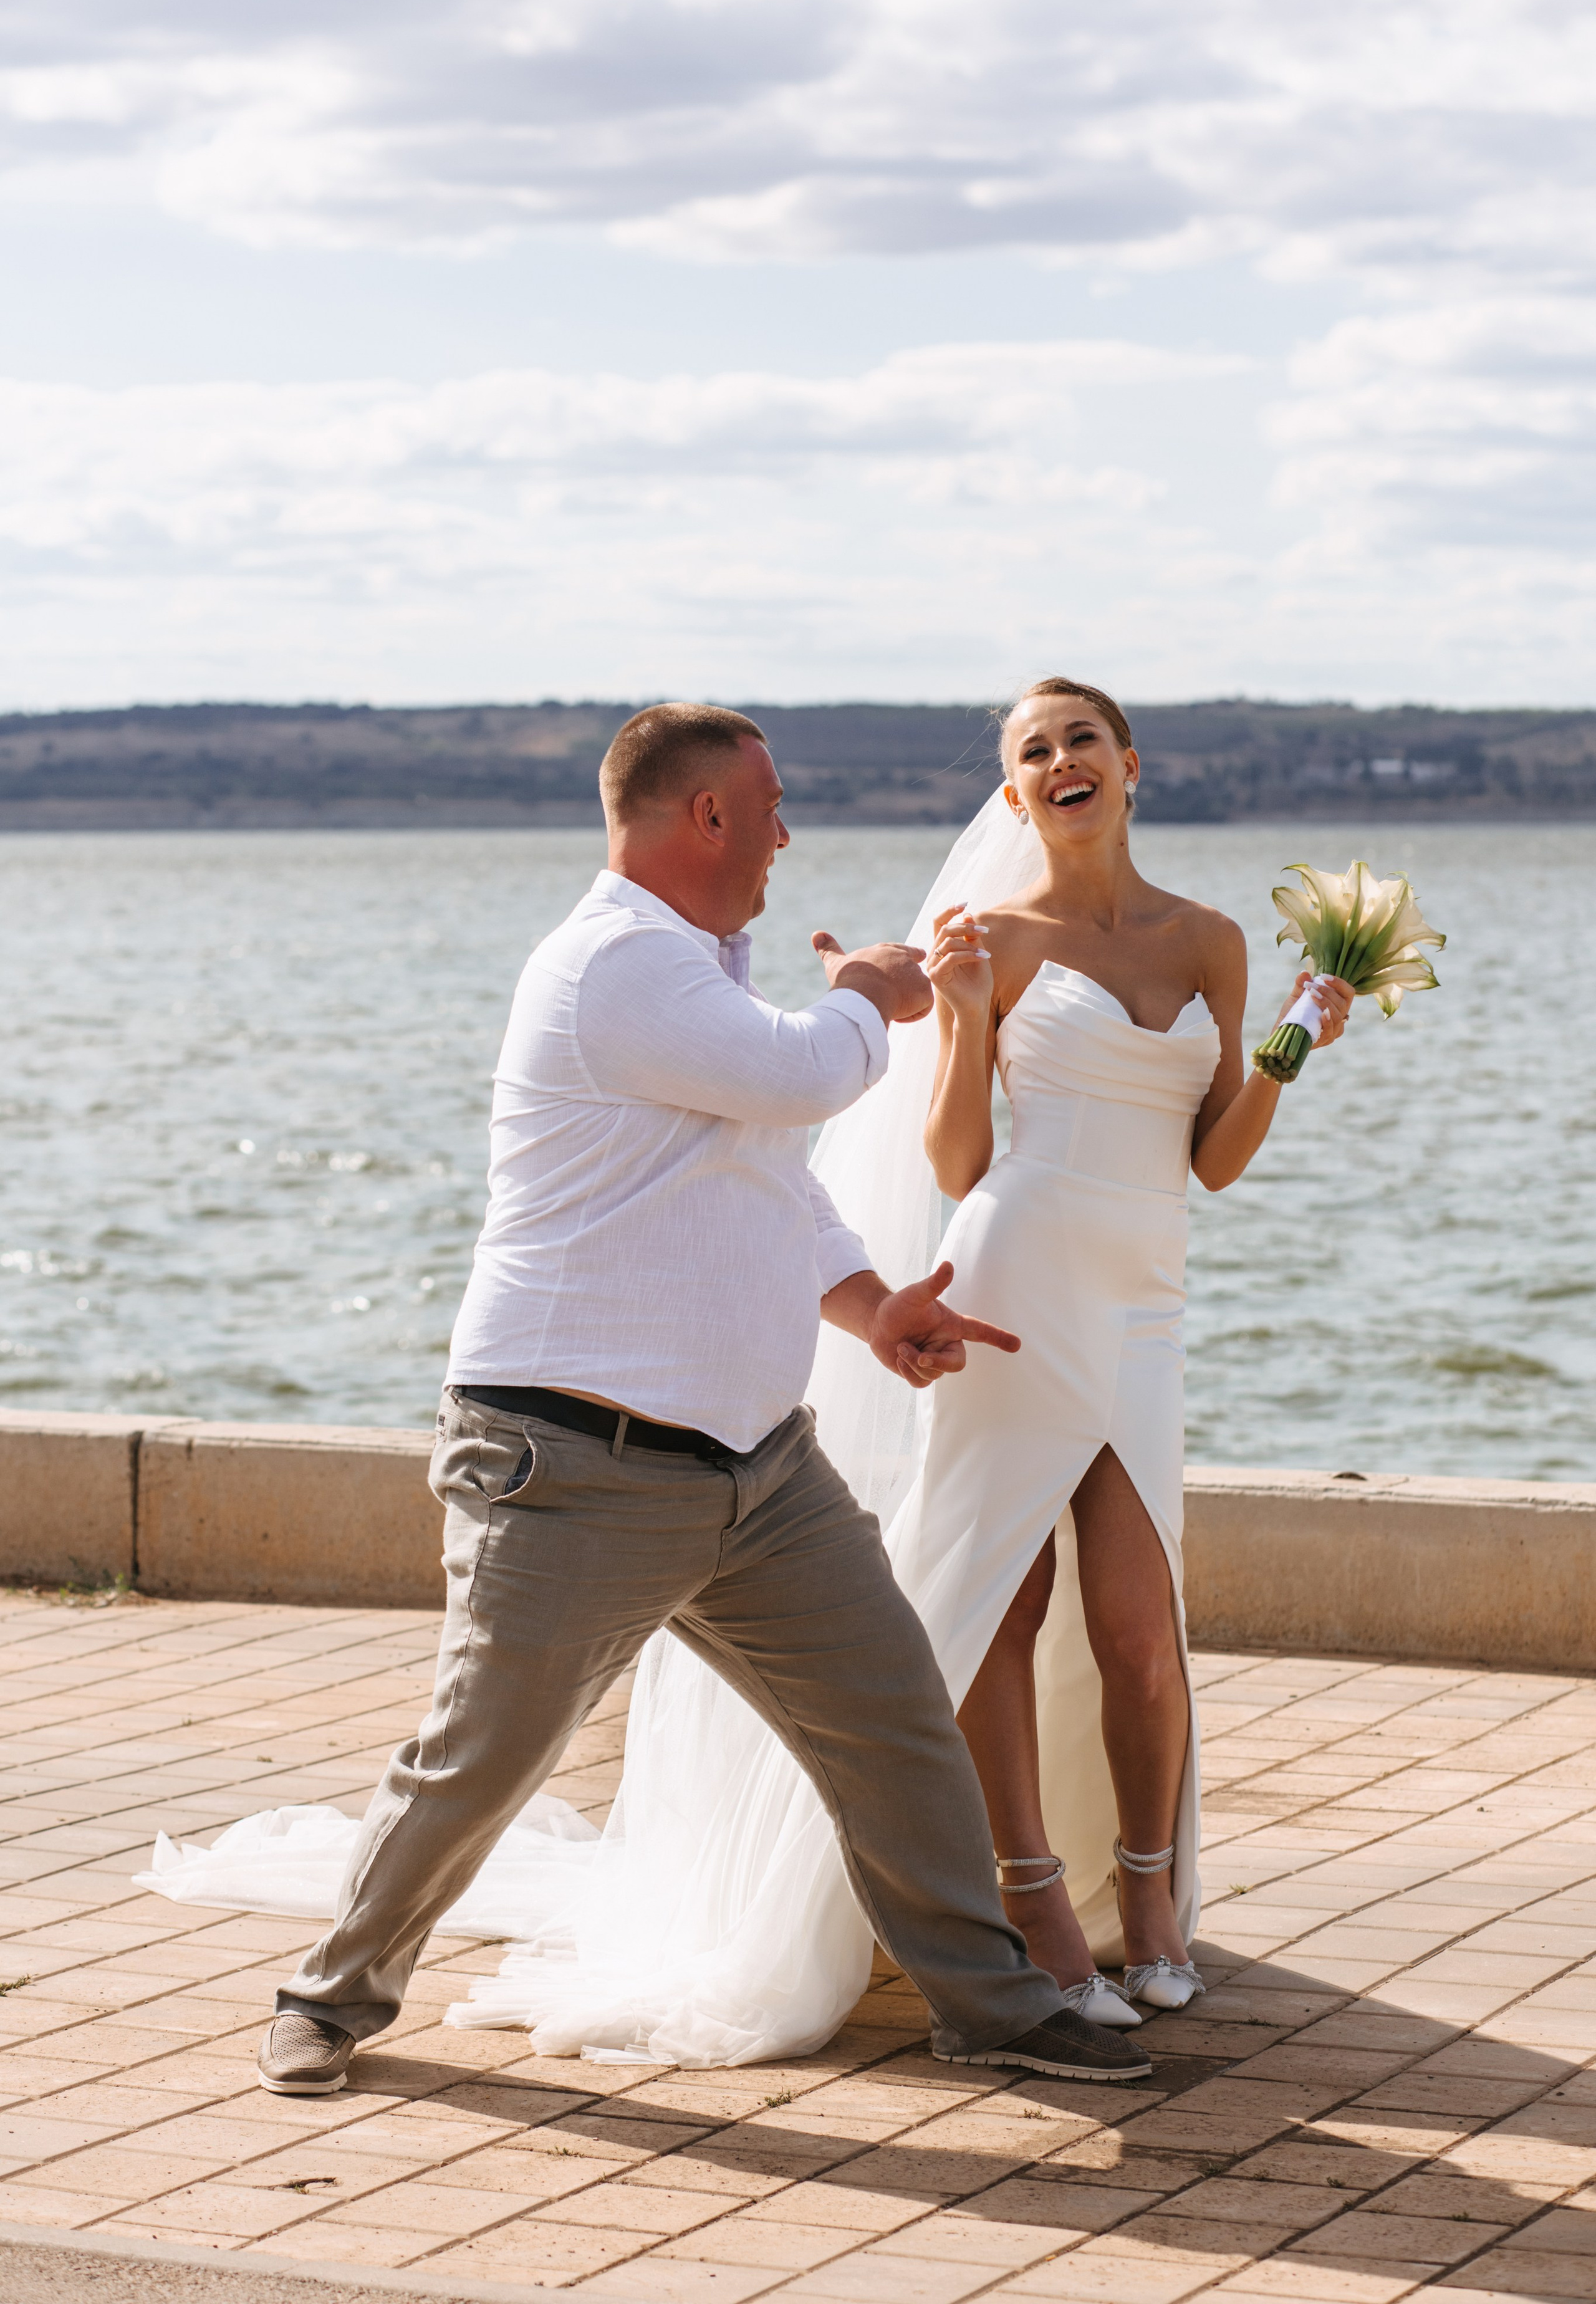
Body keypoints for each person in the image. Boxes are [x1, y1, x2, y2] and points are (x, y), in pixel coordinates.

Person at [253, 701, 1151, 2097]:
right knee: (479, 1756)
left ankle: (987, 2001)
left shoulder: (700, 975)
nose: (788, 833)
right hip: (570, 1461)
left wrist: (872, 1310)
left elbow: (771, 1186)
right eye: (772, 805)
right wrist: (871, 991)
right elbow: (806, 1082)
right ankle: (330, 1991)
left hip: (757, 1473)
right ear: (707, 818)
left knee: (894, 1716)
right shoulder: (615, 967)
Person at [903, 676, 1352, 2023]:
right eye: (1030, 752)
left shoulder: (1209, 940)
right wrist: (967, 1012)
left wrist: (1284, 1045)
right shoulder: (990, 935)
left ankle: (1147, 1897)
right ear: (1011, 794)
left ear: (1127, 762)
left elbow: (1209, 1161)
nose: (1057, 761)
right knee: (1004, 1601)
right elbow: (955, 1159)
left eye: (1077, 739)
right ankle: (1031, 1894)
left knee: (1138, 1632)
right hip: (1016, 1272)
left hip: (1144, 1296)